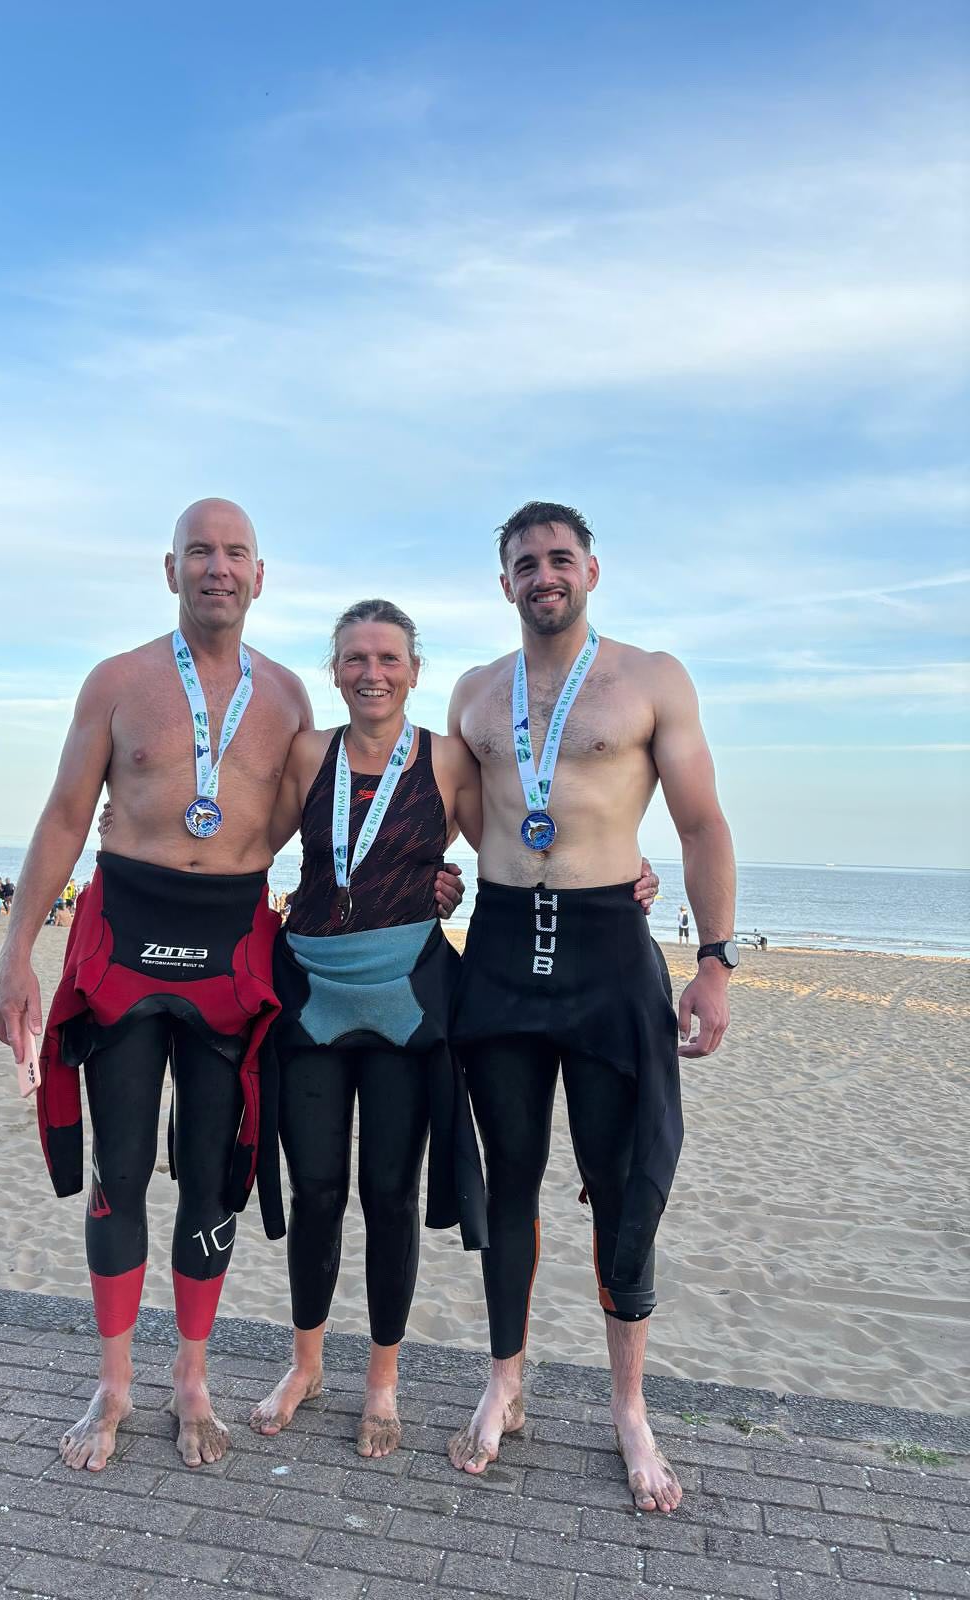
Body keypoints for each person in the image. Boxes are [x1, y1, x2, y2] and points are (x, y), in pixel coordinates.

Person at [0, 499, 463, 1476]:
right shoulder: (117, 682)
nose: (217, 567)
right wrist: (15, 952)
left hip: (230, 946)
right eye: (199, 552)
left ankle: (192, 1377)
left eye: (234, 552)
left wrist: (431, 877)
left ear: (259, 575)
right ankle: (114, 1382)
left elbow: (324, 824)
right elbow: (65, 817)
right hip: (126, 933)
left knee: (214, 1174)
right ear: (170, 570)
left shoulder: (286, 700)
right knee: (121, 1170)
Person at [445, 501, 736, 1514]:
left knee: (623, 1185)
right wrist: (438, 877)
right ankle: (505, 1382)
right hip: (500, 950)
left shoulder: (651, 679)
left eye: (560, 558)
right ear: (505, 583)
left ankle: (629, 1407)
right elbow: (448, 814)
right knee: (509, 1182)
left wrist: (714, 961)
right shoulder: (475, 692)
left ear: (591, 571)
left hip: (610, 952)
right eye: (525, 562)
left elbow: (700, 825)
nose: (544, 574)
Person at [247, 602, 488, 1457]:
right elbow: (251, 845)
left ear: (415, 671)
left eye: (388, 658)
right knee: (315, 1190)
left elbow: (514, 852)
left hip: (404, 1001)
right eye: (355, 658)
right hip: (313, 991)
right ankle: (306, 1365)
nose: (371, 673)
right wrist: (136, 835)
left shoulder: (448, 759)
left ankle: (382, 1380)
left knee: (390, 1194)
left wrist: (623, 872)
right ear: (335, 670)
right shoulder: (308, 752)